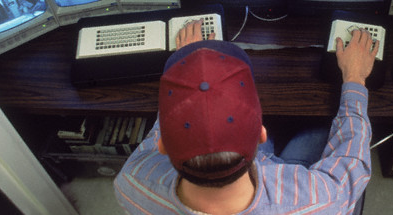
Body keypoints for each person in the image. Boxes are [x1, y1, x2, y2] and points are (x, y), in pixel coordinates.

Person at [114, 19, 379, 214]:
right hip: (275, 175)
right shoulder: (319, 200)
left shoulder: (132, 181)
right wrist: (355, 77)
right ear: (260, 134)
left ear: (160, 145)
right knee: (320, 128)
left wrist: (191, 68)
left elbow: (168, 121)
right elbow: (351, 164)